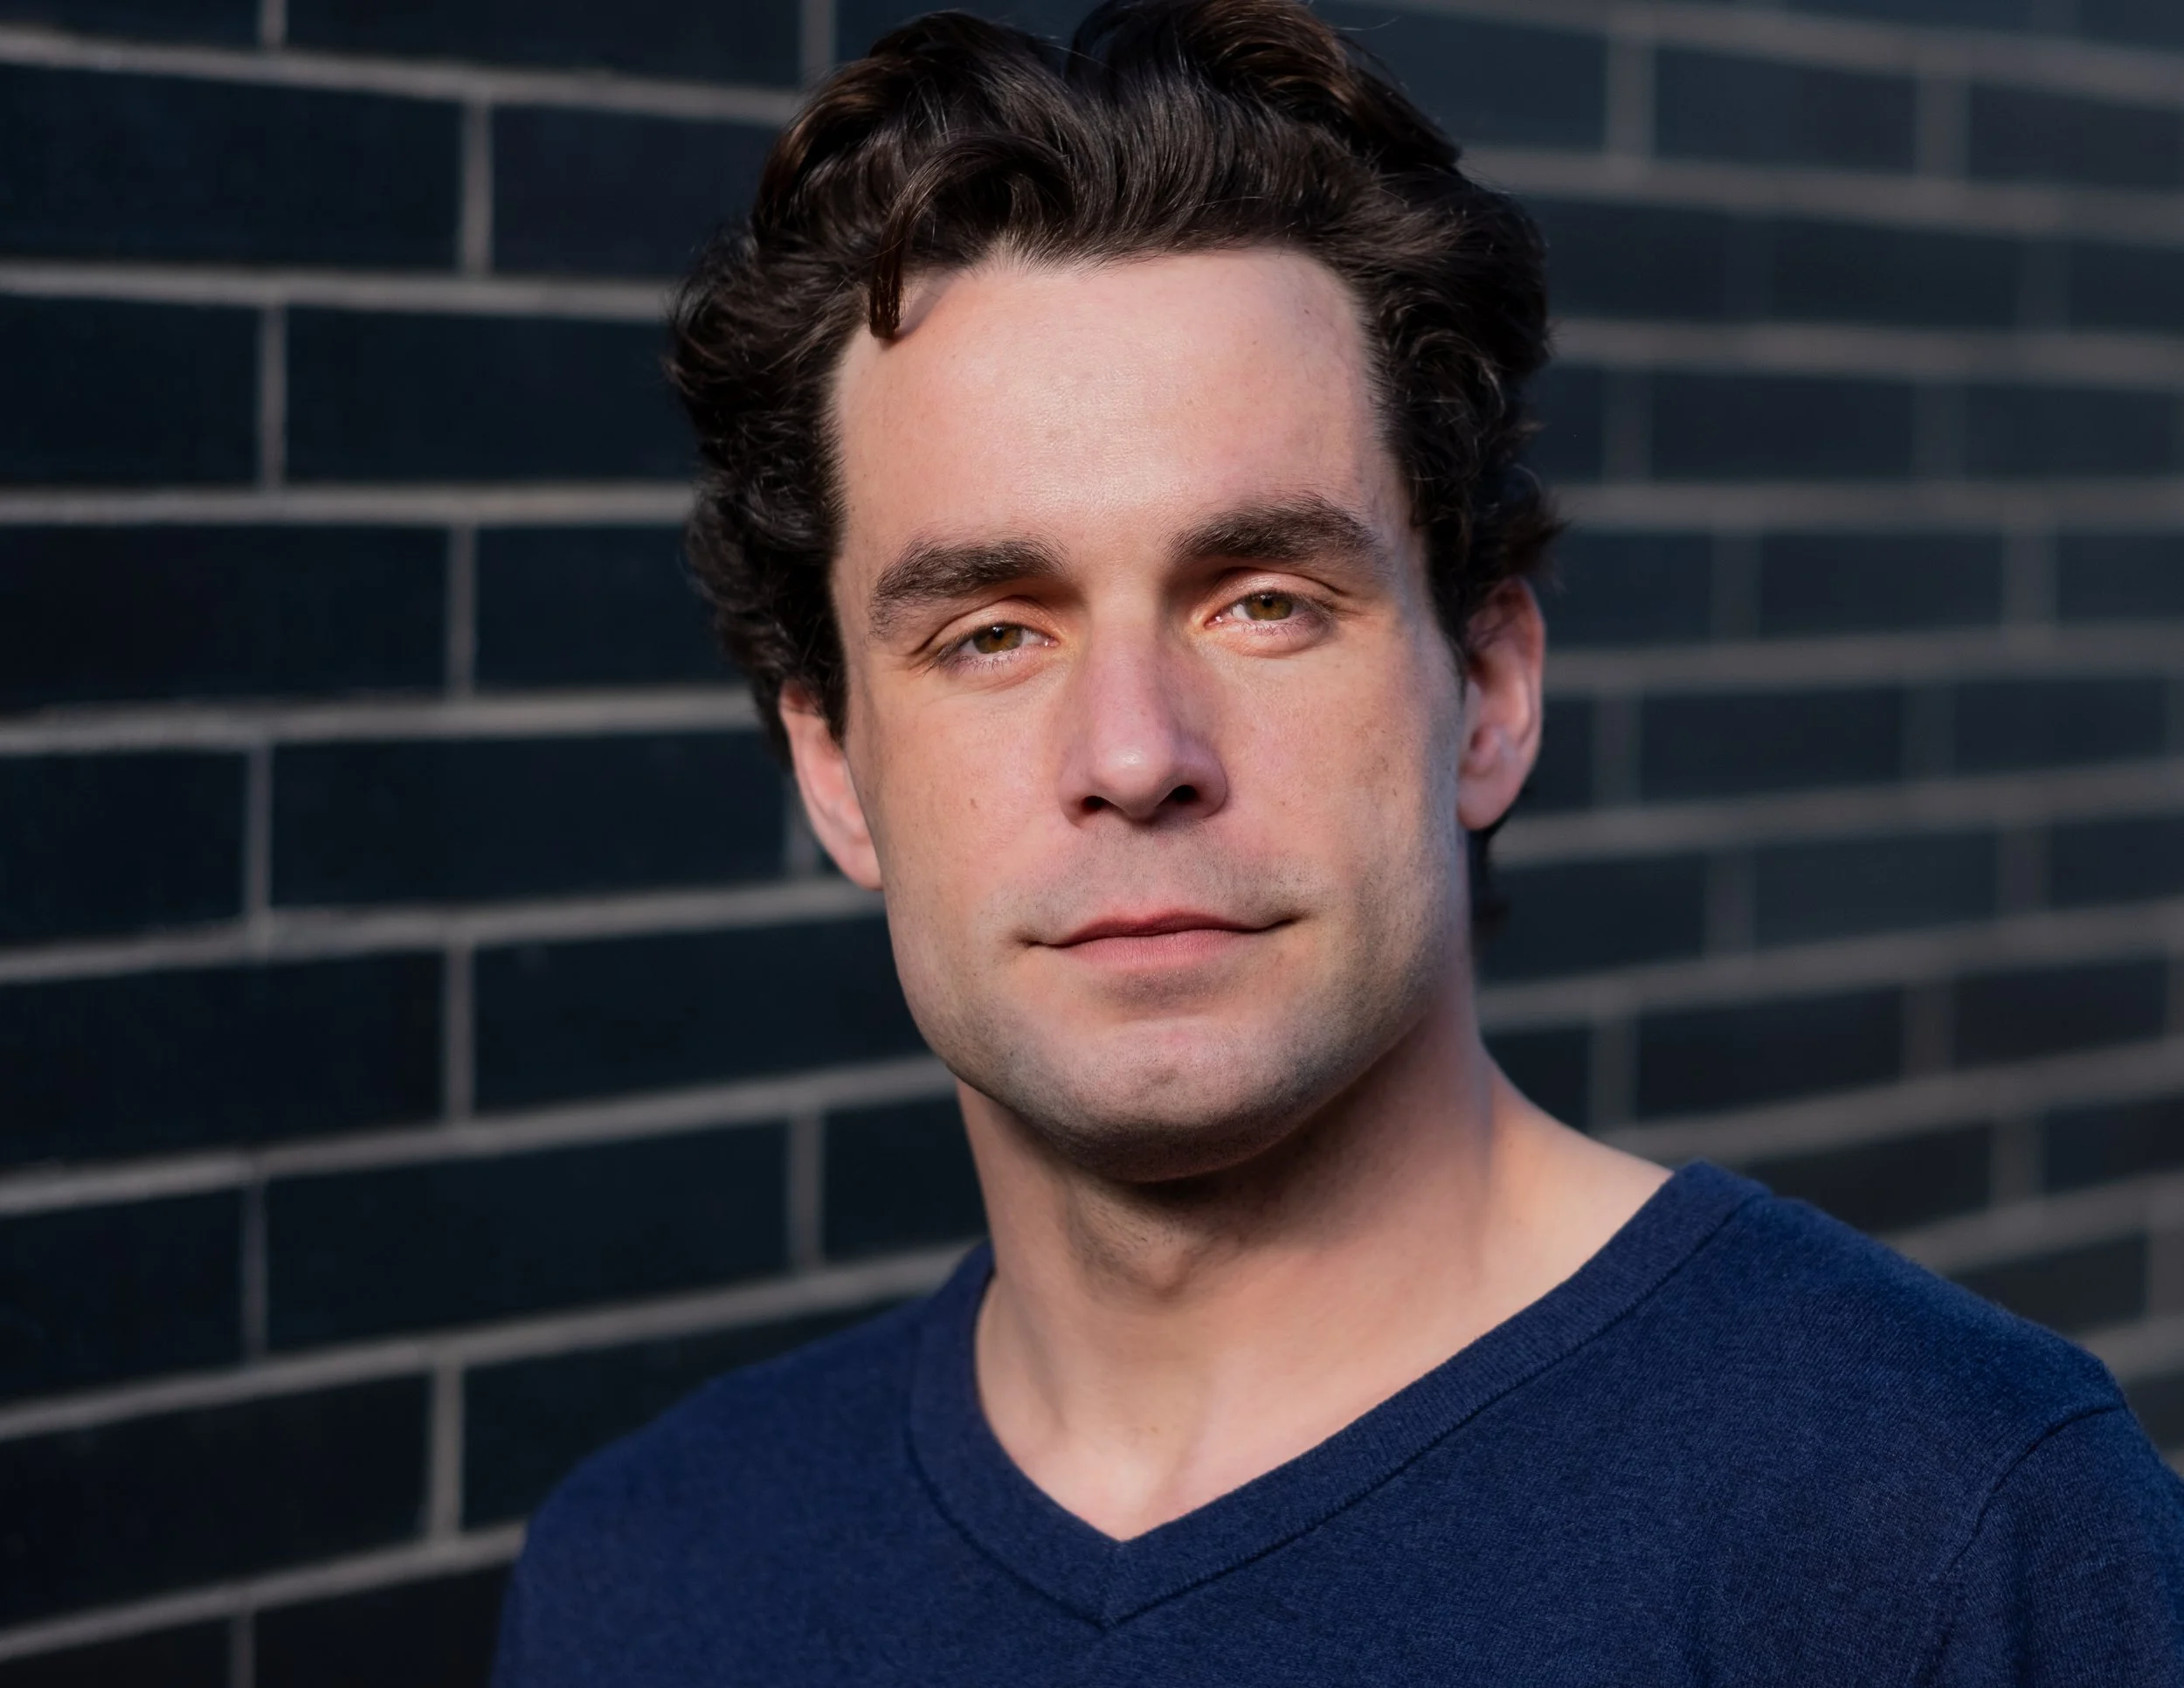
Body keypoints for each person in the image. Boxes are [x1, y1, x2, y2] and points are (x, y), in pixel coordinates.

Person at [491, 2, 2184, 1680]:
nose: (1135, 754)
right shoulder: (644, 1583)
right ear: (834, 768)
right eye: (990, 633)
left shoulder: (1951, 1536)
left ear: (1488, 694)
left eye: (1263, 603)